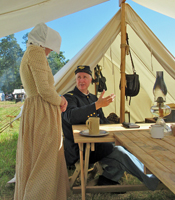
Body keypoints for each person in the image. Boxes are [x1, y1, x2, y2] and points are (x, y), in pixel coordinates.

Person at [62, 65, 160, 191]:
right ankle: (152, 181)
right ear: (75, 80)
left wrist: (116, 131)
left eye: (85, 77)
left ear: (91, 79)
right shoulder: (69, 97)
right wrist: (96, 105)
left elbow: (103, 121)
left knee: (126, 145)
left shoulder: (93, 98)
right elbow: (71, 116)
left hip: (97, 145)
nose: (81, 80)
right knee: (120, 153)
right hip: (81, 148)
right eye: (79, 77)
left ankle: (108, 178)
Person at [14, 23, 70, 200]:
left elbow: (42, 89)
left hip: (37, 110)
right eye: (50, 48)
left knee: (38, 158)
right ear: (44, 42)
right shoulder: (35, 52)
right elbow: (44, 90)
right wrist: (60, 100)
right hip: (41, 112)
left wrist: (58, 98)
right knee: (44, 161)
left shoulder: (30, 53)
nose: (50, 52)